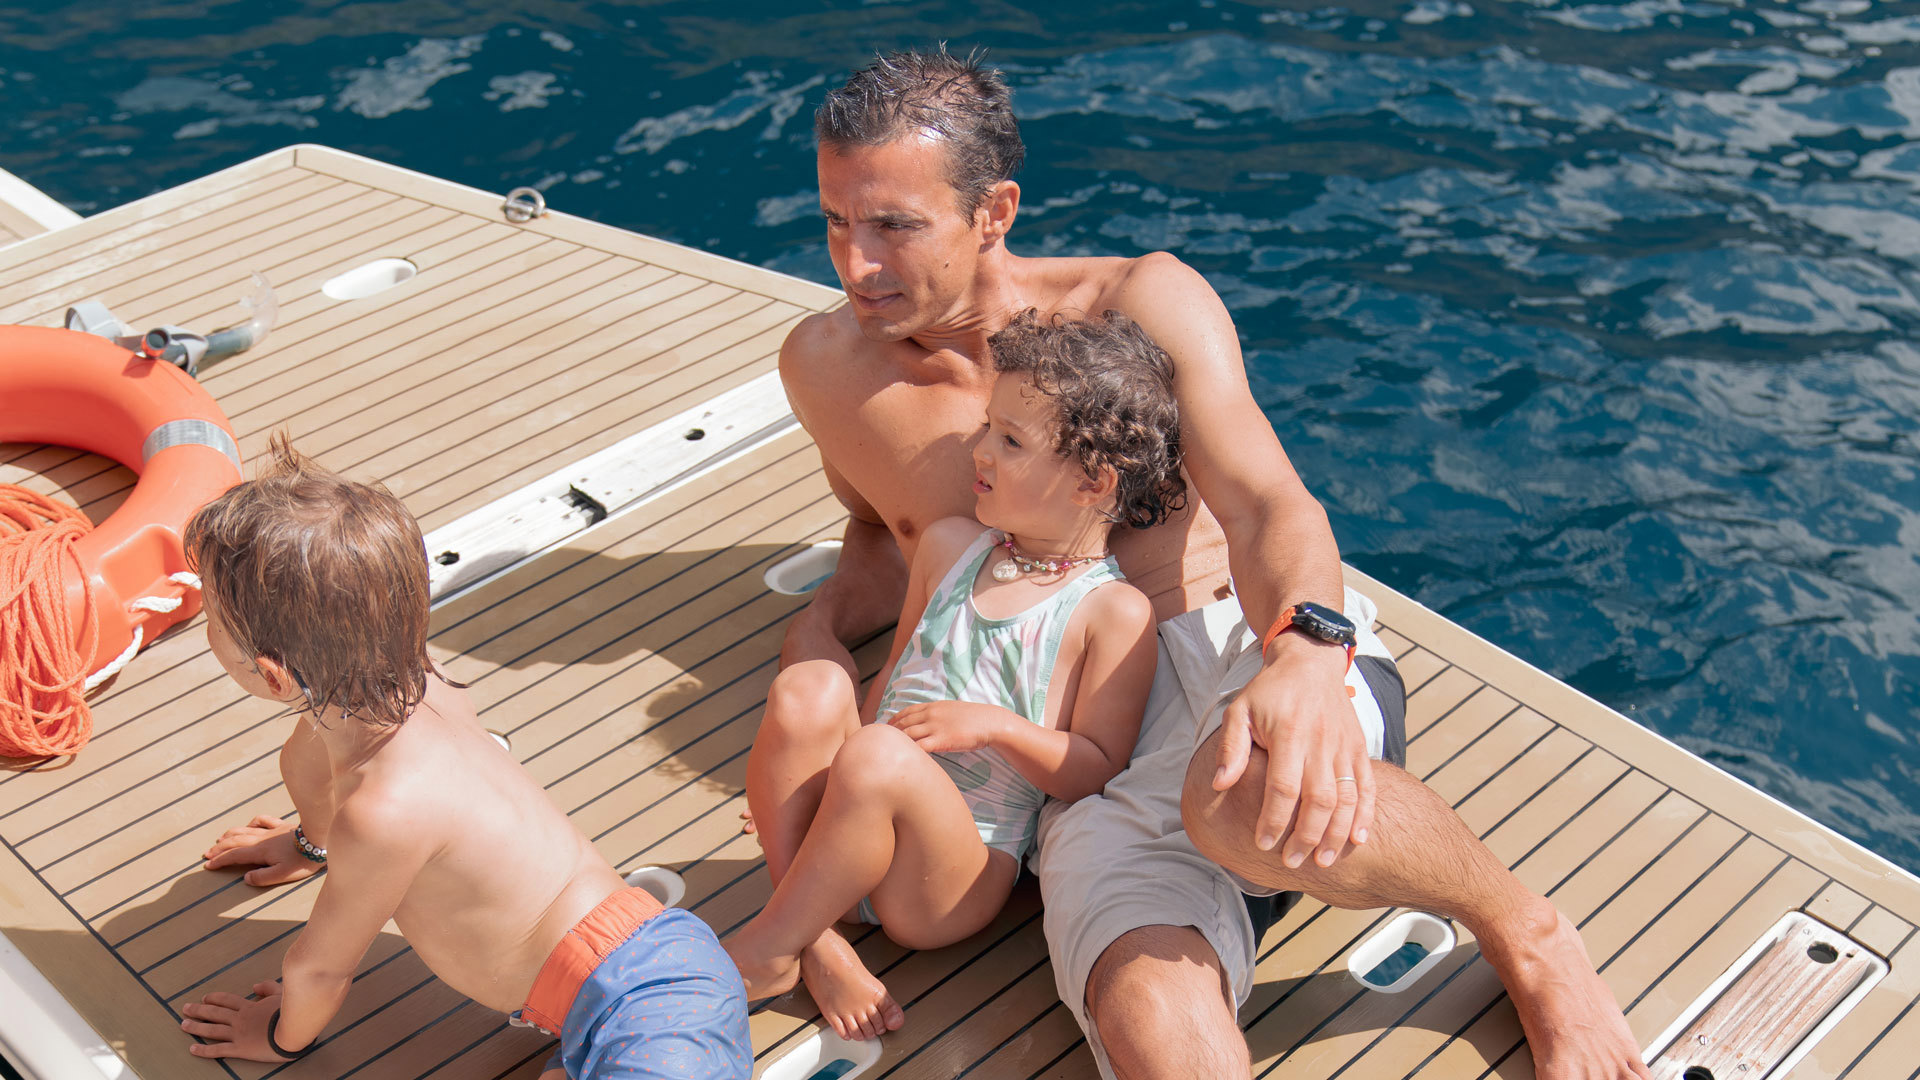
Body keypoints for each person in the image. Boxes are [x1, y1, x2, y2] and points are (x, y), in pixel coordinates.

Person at [770, 48, 1651, 1080]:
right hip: (1078, 772)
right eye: (835, 221)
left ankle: (1523, 929)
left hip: (1229, 644)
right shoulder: (825, 367)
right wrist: (821, 639)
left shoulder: (1138, 302)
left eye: (894, 226)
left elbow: (1269, 501)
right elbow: (886, 534)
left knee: (1238, 794)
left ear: (994, 211)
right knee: (1151, 1025)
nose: (856, 264)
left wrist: (1306, 655)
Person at [174, 436, 751, 1080]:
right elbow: (306, 767)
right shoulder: (416, 682)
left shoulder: (382, 810)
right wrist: (312, 845)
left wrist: (280, 1038)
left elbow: (318, 970)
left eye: (212, 618)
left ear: (273, 675)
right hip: (648, 971)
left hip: (647, 1009)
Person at [731, 312, 1170, 1039]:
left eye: (1010, 440)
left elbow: (1095, 770)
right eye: (987, 425)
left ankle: (772, 946)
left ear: (1092, 483)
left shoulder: (1110, 612)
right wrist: (812, 783)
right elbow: (892, 680)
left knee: (877, 753)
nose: (979, 448)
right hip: (857, 824)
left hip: (948, 878)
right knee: (810, 687)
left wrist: (996, 727)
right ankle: (817, 941)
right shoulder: (950, 547)